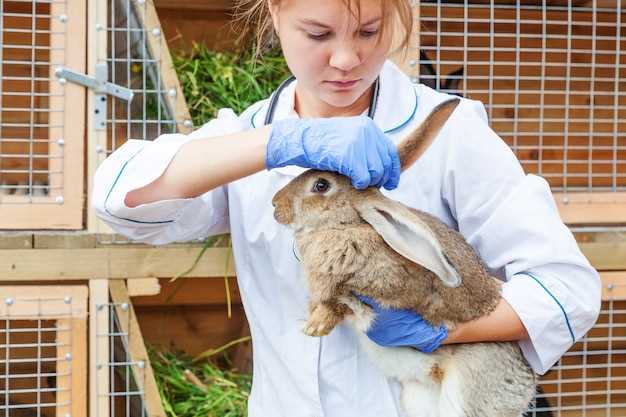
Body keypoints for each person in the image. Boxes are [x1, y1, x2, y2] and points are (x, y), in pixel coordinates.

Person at [92, 0, 601, 415]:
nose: (344, 60)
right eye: (318, 35)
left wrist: (442, 327)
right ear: (274, 14)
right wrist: (280, 143)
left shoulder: (451, 131)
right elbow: (119, 198)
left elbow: (566, 287)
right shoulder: (246, 137)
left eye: (368, 32)